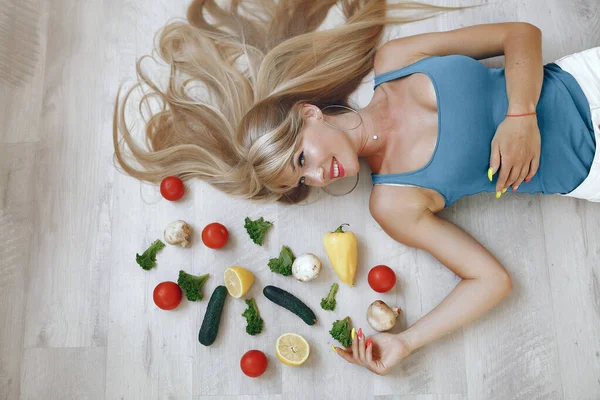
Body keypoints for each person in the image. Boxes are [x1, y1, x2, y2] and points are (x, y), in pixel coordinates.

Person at [113, 0, 600, 375]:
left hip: (585, 78)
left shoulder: (397, 59)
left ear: (309, 113)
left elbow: (520, 35)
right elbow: (492, 281)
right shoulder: (393, 201)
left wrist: (520, 116)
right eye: (300, 180)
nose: (316, 176)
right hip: (590, 169)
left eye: (302, 158)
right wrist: (406, 343)